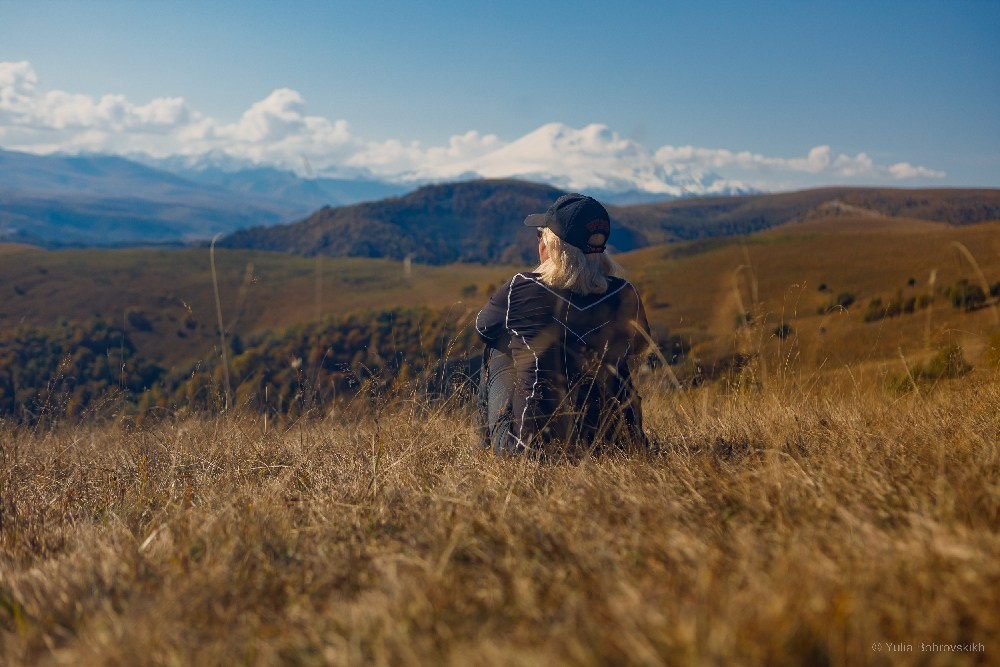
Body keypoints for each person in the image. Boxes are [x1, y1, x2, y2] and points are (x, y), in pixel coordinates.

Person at [475, 193, 651, 458]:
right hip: (618, 447)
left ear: (552, 245)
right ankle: (621, 432)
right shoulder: (625, 294)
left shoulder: (519, 288)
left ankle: (489, 448)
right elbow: (639, 347)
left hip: (532, 450)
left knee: (498, 350)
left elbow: (484, 329)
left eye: (540, 236)